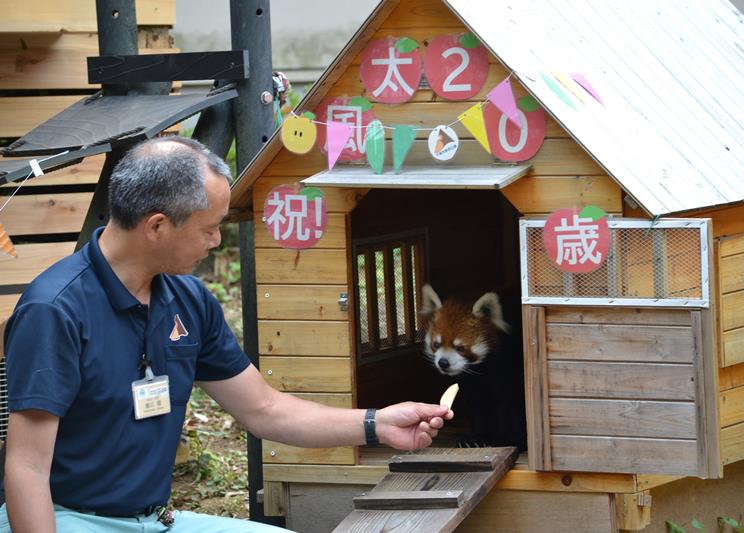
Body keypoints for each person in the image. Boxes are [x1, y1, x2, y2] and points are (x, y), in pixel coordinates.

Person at [2, 137, 453, 533]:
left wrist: (377, 424)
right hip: (68, 519)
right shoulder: (54, 310)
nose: (217, 240)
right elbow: (26, 467)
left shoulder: (188, 299)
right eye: (209, 228)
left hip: (154, 520)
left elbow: (264, 409)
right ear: (157, 226)